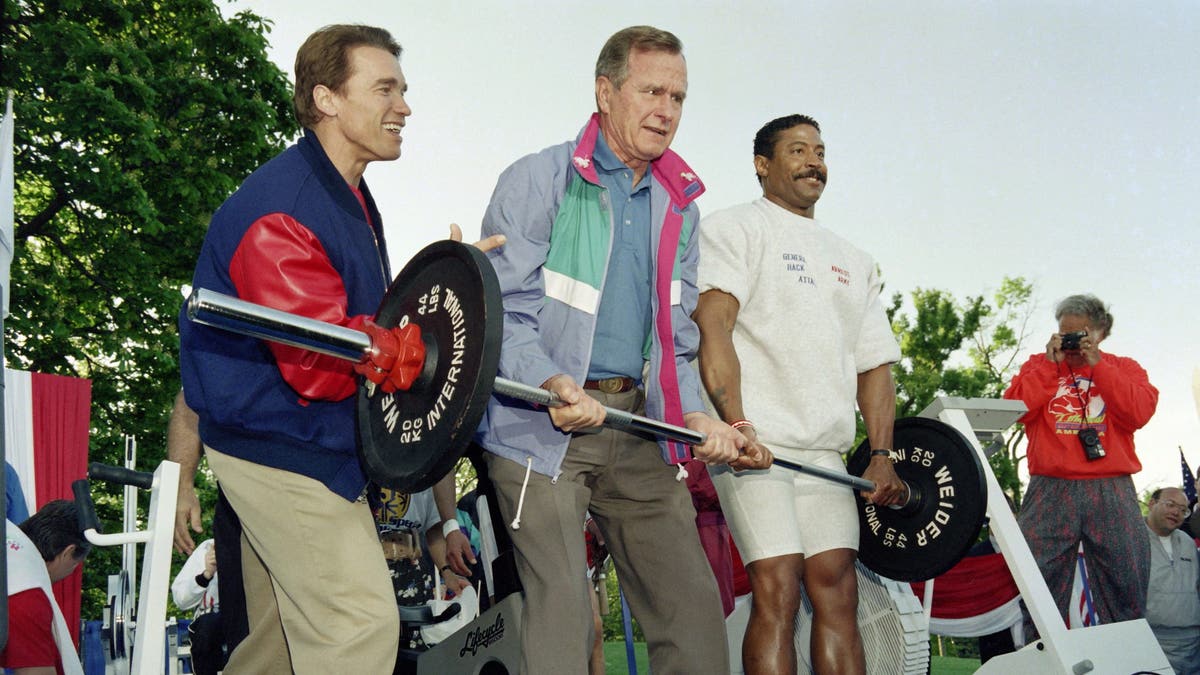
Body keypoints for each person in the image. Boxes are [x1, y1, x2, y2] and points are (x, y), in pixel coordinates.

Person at [177, 24, 503, 672]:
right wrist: (423, 337)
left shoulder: (348, 196)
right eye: (384, 88)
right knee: (359, 626)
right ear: (326, 98)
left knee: (276, 652)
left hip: (307, 440)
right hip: (281, 446)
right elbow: (319, 362)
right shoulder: (281, 211)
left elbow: (354, 318)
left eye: (403, 90)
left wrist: (449, 286)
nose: (403, 106)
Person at [475, 25, 765, 674]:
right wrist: (551, 381)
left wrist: (696, 416)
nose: (667, 109)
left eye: (679, 97)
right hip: (537, 426)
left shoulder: (680, 207)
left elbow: (676, 344)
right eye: (652, 90)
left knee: (695, 623)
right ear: (606, 92)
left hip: (636, 427)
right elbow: (502, 318)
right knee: (565, 625)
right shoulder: (534, 181)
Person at [693, 114, 906, 674]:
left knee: (838, 591)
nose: (813, 161)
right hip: (755, 446)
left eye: (819, 151)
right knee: (778, 586)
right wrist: (736, 425)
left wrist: (882, 457)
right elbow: (712, 329)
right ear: (763, 165)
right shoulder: (733, 228)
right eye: (796, 150)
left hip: (824, 452)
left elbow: (875, 367)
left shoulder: (855, 261)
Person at [1004, 294, 1158, 628]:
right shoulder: (1038, 364)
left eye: (1081, 334)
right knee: (1037, 576)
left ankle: (1126, 650)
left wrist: (1097, 364)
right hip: (1050, 486)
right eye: (1065, 333)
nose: (1072, 343)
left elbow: (1139, 412)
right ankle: (1044, 648)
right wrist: (1049, 365)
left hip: (1111, 486)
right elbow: (1016, 410)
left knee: (1126, 575)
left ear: (1100, 332)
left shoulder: (1125, 367)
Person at [2, 500, 90, 675]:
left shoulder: (9, 540)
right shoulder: (26, 591)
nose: (71, 572)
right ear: (67, 552)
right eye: (75, 565)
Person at [1143, 487, 1200, 673]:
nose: (1176, 512)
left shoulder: (1188, 542)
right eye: (1170, 504)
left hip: (1192, 645)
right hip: (1152, 640)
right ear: (1152, 503)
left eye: (1183, 510)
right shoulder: (1132, 539)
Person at [171, 538, 226, 675]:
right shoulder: (207, 549)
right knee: (207, 627)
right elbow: (181, 599)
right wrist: (206, 575)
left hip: (248, 618)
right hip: (211, 621)